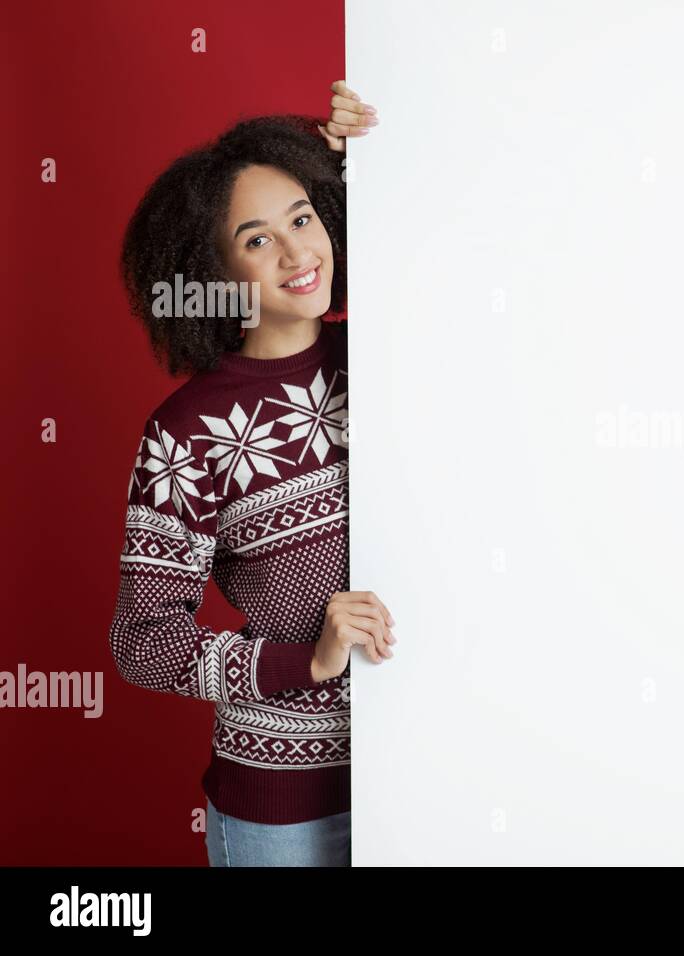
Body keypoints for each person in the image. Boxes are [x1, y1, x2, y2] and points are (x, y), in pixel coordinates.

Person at [111, 81, 391, 866]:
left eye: (303, 219)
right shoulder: (187, 433)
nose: (300, 254)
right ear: (215, 268)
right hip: (285, 812)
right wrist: (307, 657)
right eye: (258, 239)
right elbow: (143, 642)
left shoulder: (391, 357)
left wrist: (354, 152)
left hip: (430, 772)